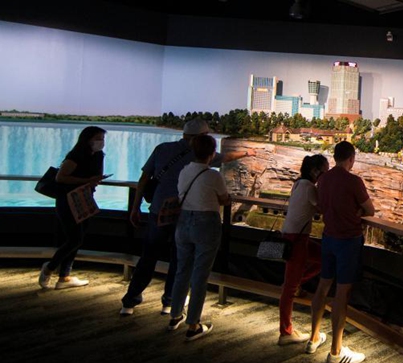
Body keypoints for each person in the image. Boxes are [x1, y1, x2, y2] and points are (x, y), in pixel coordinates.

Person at [120, 118, 254, 316]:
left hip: (157, 211)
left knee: (148, 257)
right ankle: (170, 302)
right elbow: (225, 158)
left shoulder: (162, 148)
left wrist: (135, 207)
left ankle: (129, 302)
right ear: (202, 138)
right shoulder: (199, 155)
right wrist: (247, 153)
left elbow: (143, 179)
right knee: (179, 260)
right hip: (183, 215)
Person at [306, 141, 374, 363]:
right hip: (348, 240)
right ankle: (336, 352)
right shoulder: (354, 181)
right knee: (342, 294)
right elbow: (370, 210)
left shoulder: (323, 179)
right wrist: (355, 211)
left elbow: (322, 205)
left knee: (323, 286)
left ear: (335, 157)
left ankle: (313, 338)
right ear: (351, 158)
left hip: (328, 238)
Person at [164, 134, 230, 340]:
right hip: (206, 224)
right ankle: (193, 324)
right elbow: (224, 199)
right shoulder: (213, 175)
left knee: (182, 270)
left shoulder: (185, 171)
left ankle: (175, 315)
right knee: (200, 275)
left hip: (183, 222)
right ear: (212, 154)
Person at [38, 126, 107, 289]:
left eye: (102, 138)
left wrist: (94, 180)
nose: (101, 142)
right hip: (68, 200)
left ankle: (65, 277)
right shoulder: (75, 156)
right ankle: (49, 268)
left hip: (85, 199)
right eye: (98, 138)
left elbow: (94, 178)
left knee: (78, 238)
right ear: (87, 139)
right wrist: (86, 180)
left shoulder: (98, 156)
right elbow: (60, 177)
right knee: (74, 239)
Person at [277, 154, 329, 345]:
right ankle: (285, 332)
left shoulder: (299, 183)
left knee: (325, 259)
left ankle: (298, 282)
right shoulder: (309, 188)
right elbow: (323, 208)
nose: (327, 174)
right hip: (296, 239)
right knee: (288, 290)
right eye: (325, 170)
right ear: (316, 171)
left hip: (294, 236)